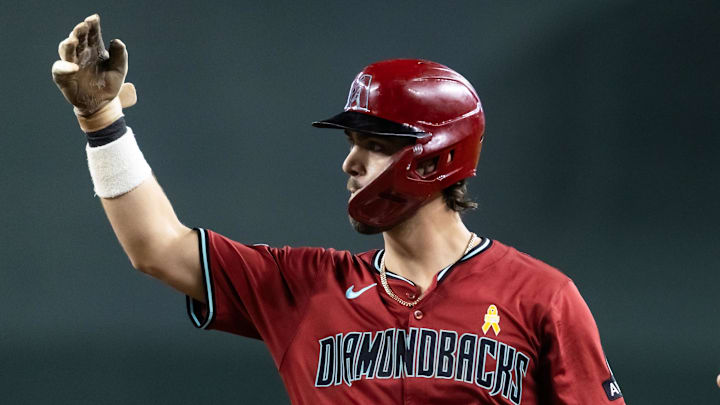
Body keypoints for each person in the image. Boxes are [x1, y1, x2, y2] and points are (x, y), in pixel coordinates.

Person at [52, 14, 626, 405]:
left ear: (435, 160)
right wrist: (102, 123)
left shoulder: (542, 297)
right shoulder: (303, 287)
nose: (350, 163)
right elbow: (156, 247)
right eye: (352, 144)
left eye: (376, 146)